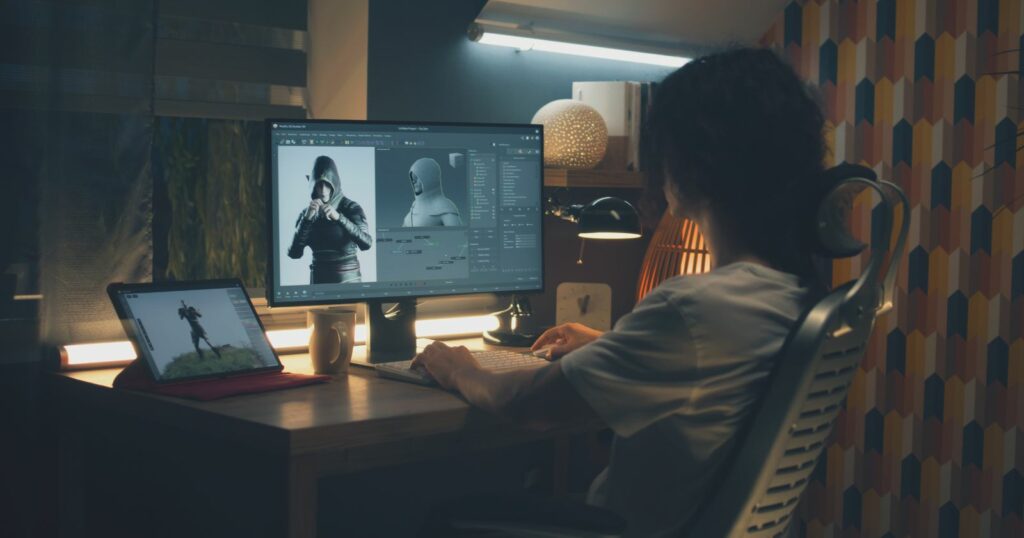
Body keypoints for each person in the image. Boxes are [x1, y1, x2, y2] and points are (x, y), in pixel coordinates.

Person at [411, 47, 829, 537]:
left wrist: (458, 367)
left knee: (444, 517)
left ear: (684, 164)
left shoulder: (693, 308)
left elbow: (526, 405)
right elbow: (709, 370)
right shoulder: (794, 295)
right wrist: (610, 347)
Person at [288, 155, 373, 284]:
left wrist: (339, 218)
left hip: (348, 283)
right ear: (312, 185)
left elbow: (366, 243)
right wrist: (307, 220)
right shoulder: (306, 214)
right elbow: (294, 253)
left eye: (327, 184)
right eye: (319, 184)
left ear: (335, 183)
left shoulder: (351, 208)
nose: (323, 190)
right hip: (318, 284)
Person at [402, 157, 463, 226]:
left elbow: (458, 234)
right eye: (412, 178)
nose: (413, 181)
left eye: (416, 177)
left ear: (429, 178)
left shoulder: (444, 206)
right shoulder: (414, 206)